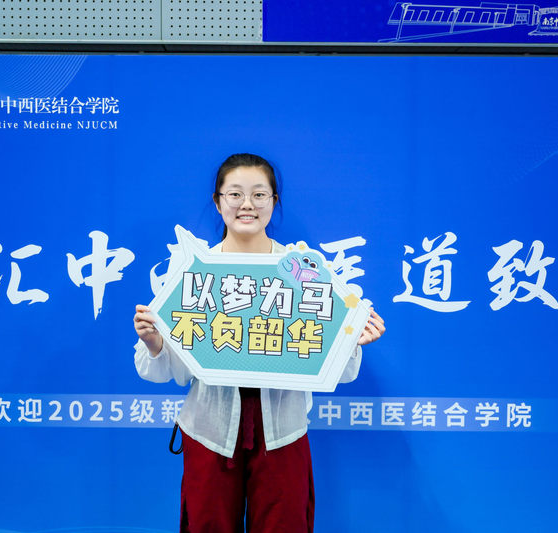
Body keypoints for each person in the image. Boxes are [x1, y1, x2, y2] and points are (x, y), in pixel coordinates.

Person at [133, 153, 385, 533]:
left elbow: (334, 365)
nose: (246, 204)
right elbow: (173, 370)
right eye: (235, 194)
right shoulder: (194, 270)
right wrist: (155, 342)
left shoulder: (304, 271)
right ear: (218, 201)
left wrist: (352, 340)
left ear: (274, 201)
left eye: (259, 194)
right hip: (210, 430)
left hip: (283, 430)